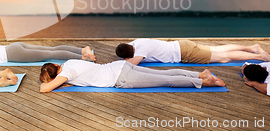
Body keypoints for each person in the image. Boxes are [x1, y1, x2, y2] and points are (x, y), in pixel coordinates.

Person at [38, 59, 225, 92]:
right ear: (56, 65)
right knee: (164, 73)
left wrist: (48, 82)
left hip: (121, 78)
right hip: (120, 66)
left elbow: (45, 89)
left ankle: (205, 82)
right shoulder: (68, 63)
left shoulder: (67, 73)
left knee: (166, 81)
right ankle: (200, 73)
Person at [115, 38, 270, 65]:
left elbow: (132, 64)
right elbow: (126, 47)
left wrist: (126, 60)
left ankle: (261, 56)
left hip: (186, 54)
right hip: (183, 44)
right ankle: (253, 48)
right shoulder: (137, 42)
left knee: (224, 58)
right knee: (218, 49)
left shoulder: (140, 50)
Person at [0, 41, 96, 67]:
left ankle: (83, 57)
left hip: (13, 54)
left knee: (51, 55)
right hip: (14, 46)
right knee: (51, 49)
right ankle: (83, 50)